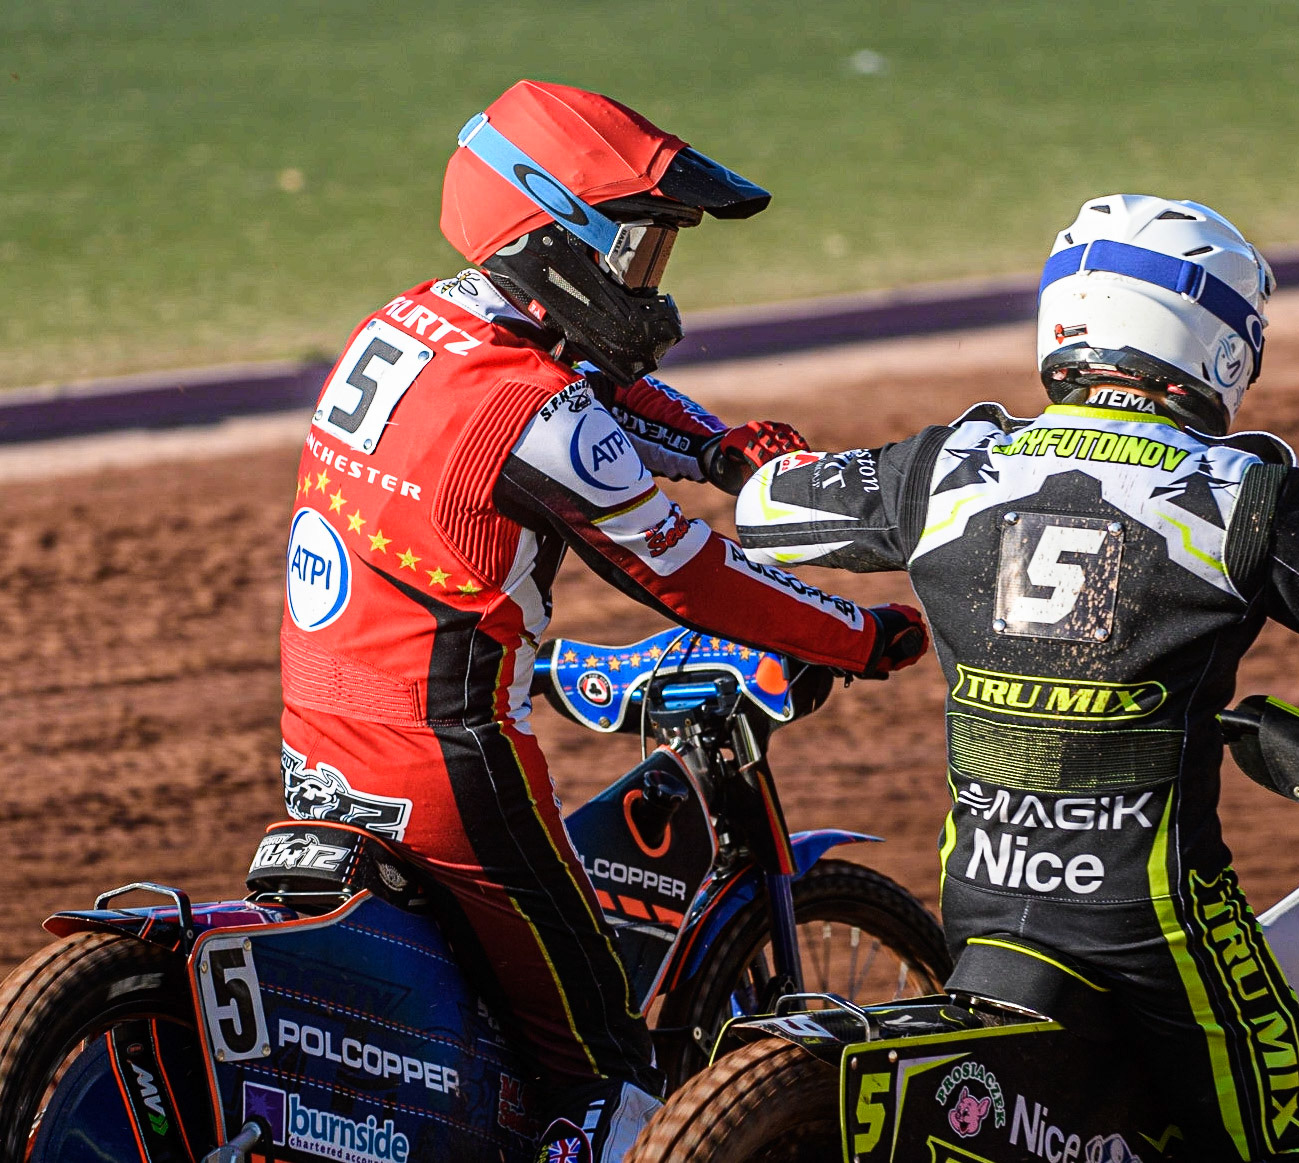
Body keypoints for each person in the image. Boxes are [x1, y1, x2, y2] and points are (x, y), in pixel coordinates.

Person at [732, 194, 1299, 1162]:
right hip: (1152, 925)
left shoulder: (946, 463)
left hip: (982, 894)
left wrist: (774, 454)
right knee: (1276, 1143)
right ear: (1217, 338)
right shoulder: (1241, 496)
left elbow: (764, 508)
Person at [277, 80, 927, 1160]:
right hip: (451, 762)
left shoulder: (411, 322)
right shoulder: (531, 412)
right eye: (633, 250)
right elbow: (689, 574)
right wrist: (856, 635)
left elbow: (583, 399)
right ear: (550, 237)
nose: (648, 281)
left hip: (321, 734)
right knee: (605, 1062)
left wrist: (720, 448)